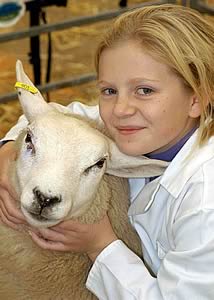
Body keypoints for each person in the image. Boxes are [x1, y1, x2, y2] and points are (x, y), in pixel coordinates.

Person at [0, 3, 214, 299]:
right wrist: (8, 150)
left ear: (197, 99)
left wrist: (100, 245)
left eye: (145, 90)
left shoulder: (206, 201)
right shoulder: (140, 125)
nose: (121, 109)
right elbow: (54, 118)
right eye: (109, 90)